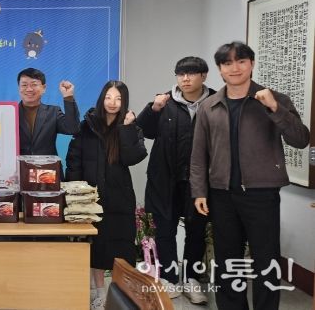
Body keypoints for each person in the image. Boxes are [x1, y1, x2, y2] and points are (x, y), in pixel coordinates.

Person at [190, 41, 309, 310]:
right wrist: (199, 191)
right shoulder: (209, 106)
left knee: (266, 260)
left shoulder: (274, 99)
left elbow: (301, 139)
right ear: (220, 69)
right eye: (227, 63)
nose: (235, 68)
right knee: (227, 261)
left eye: (241, 61)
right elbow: (198, 155)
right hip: (221, 194)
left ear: (252, 64)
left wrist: (275, 108)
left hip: (262, 193)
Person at [136, 57, 214, 303]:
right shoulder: (165, 101)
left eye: (191, 73)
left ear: (204, 75)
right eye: (181, 74)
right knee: (165, 230)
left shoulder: (215, 102)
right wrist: (153, 109)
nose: (185, 79)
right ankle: (169, 278)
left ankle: (191, 279)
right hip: (164, 178)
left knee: (196, 230)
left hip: (199, 181)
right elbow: (143, 130)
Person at [65, 80, 147, 310]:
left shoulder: (131, 126)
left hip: (119, 196)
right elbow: (74, 160)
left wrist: (127, 128)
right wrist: (74, 192)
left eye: (118, 99)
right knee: (96, 246)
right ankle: (99, 292)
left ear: (124, 102)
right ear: (102, 98)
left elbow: (133, 157)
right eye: (109, 97)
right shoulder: (87, 126)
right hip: (90, 198)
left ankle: (119, 292)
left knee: (121, 245)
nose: (113, 103)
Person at [17, 67, 80, 155]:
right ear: (19, 88)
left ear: (44, 88)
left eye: (34, 84)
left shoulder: (53, 112)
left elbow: (72, 129)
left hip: (48, 164)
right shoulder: (10, 113)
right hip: (17, 163)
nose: (29, 89)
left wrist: (68, 96)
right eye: (24, 85)